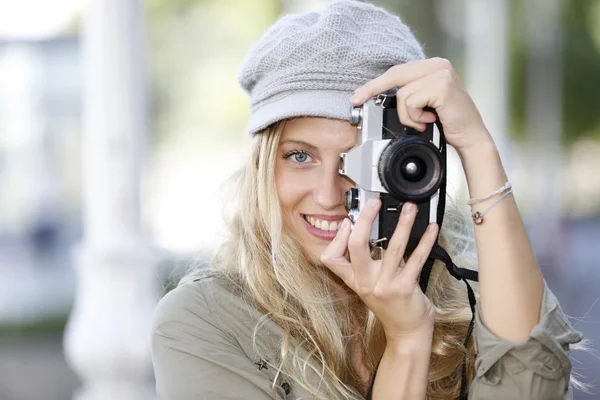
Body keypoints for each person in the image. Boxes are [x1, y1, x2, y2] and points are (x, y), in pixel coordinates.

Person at [151, 1, 586, 399]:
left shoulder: (469, 299)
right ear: (265, 165)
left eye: (357, 161)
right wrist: (407, 341)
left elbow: (532, 389)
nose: (327, 194)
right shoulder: (203, 323)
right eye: (299, 156)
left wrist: (477, 148)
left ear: (411, 168)